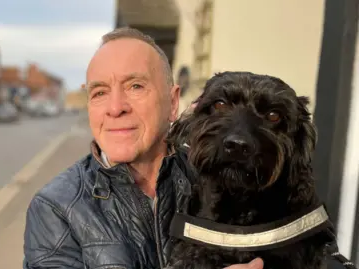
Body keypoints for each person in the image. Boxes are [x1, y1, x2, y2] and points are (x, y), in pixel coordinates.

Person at [23, 27, 264, 269]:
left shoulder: (220, 179)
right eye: (100, 92)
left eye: (135, 86)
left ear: (172, 103)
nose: (115, 108)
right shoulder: (56, 208)